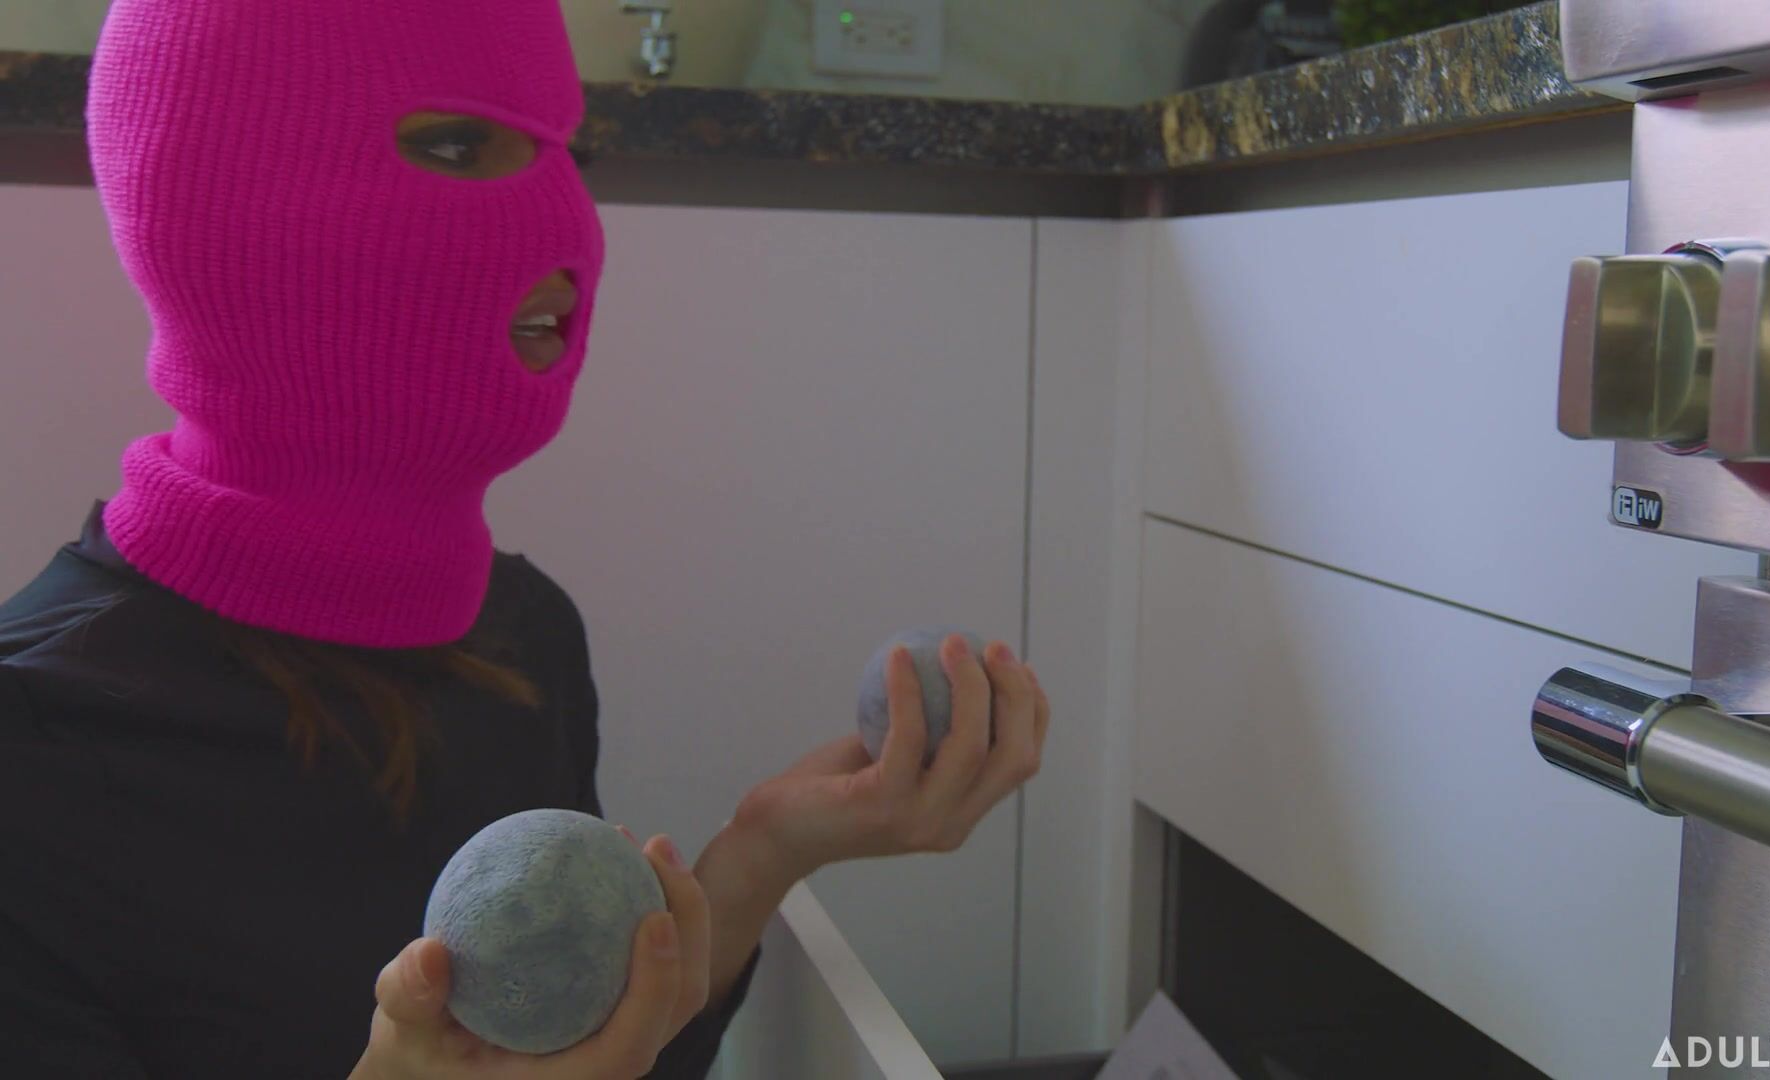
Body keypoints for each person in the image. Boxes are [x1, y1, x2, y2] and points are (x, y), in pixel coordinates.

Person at [0, 1, 1050, 1077]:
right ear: (225, 206)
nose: (564, 221)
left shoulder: (523, 635)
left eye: (568, 156)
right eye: (457, 145)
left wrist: (767, 848)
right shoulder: (30, 756)